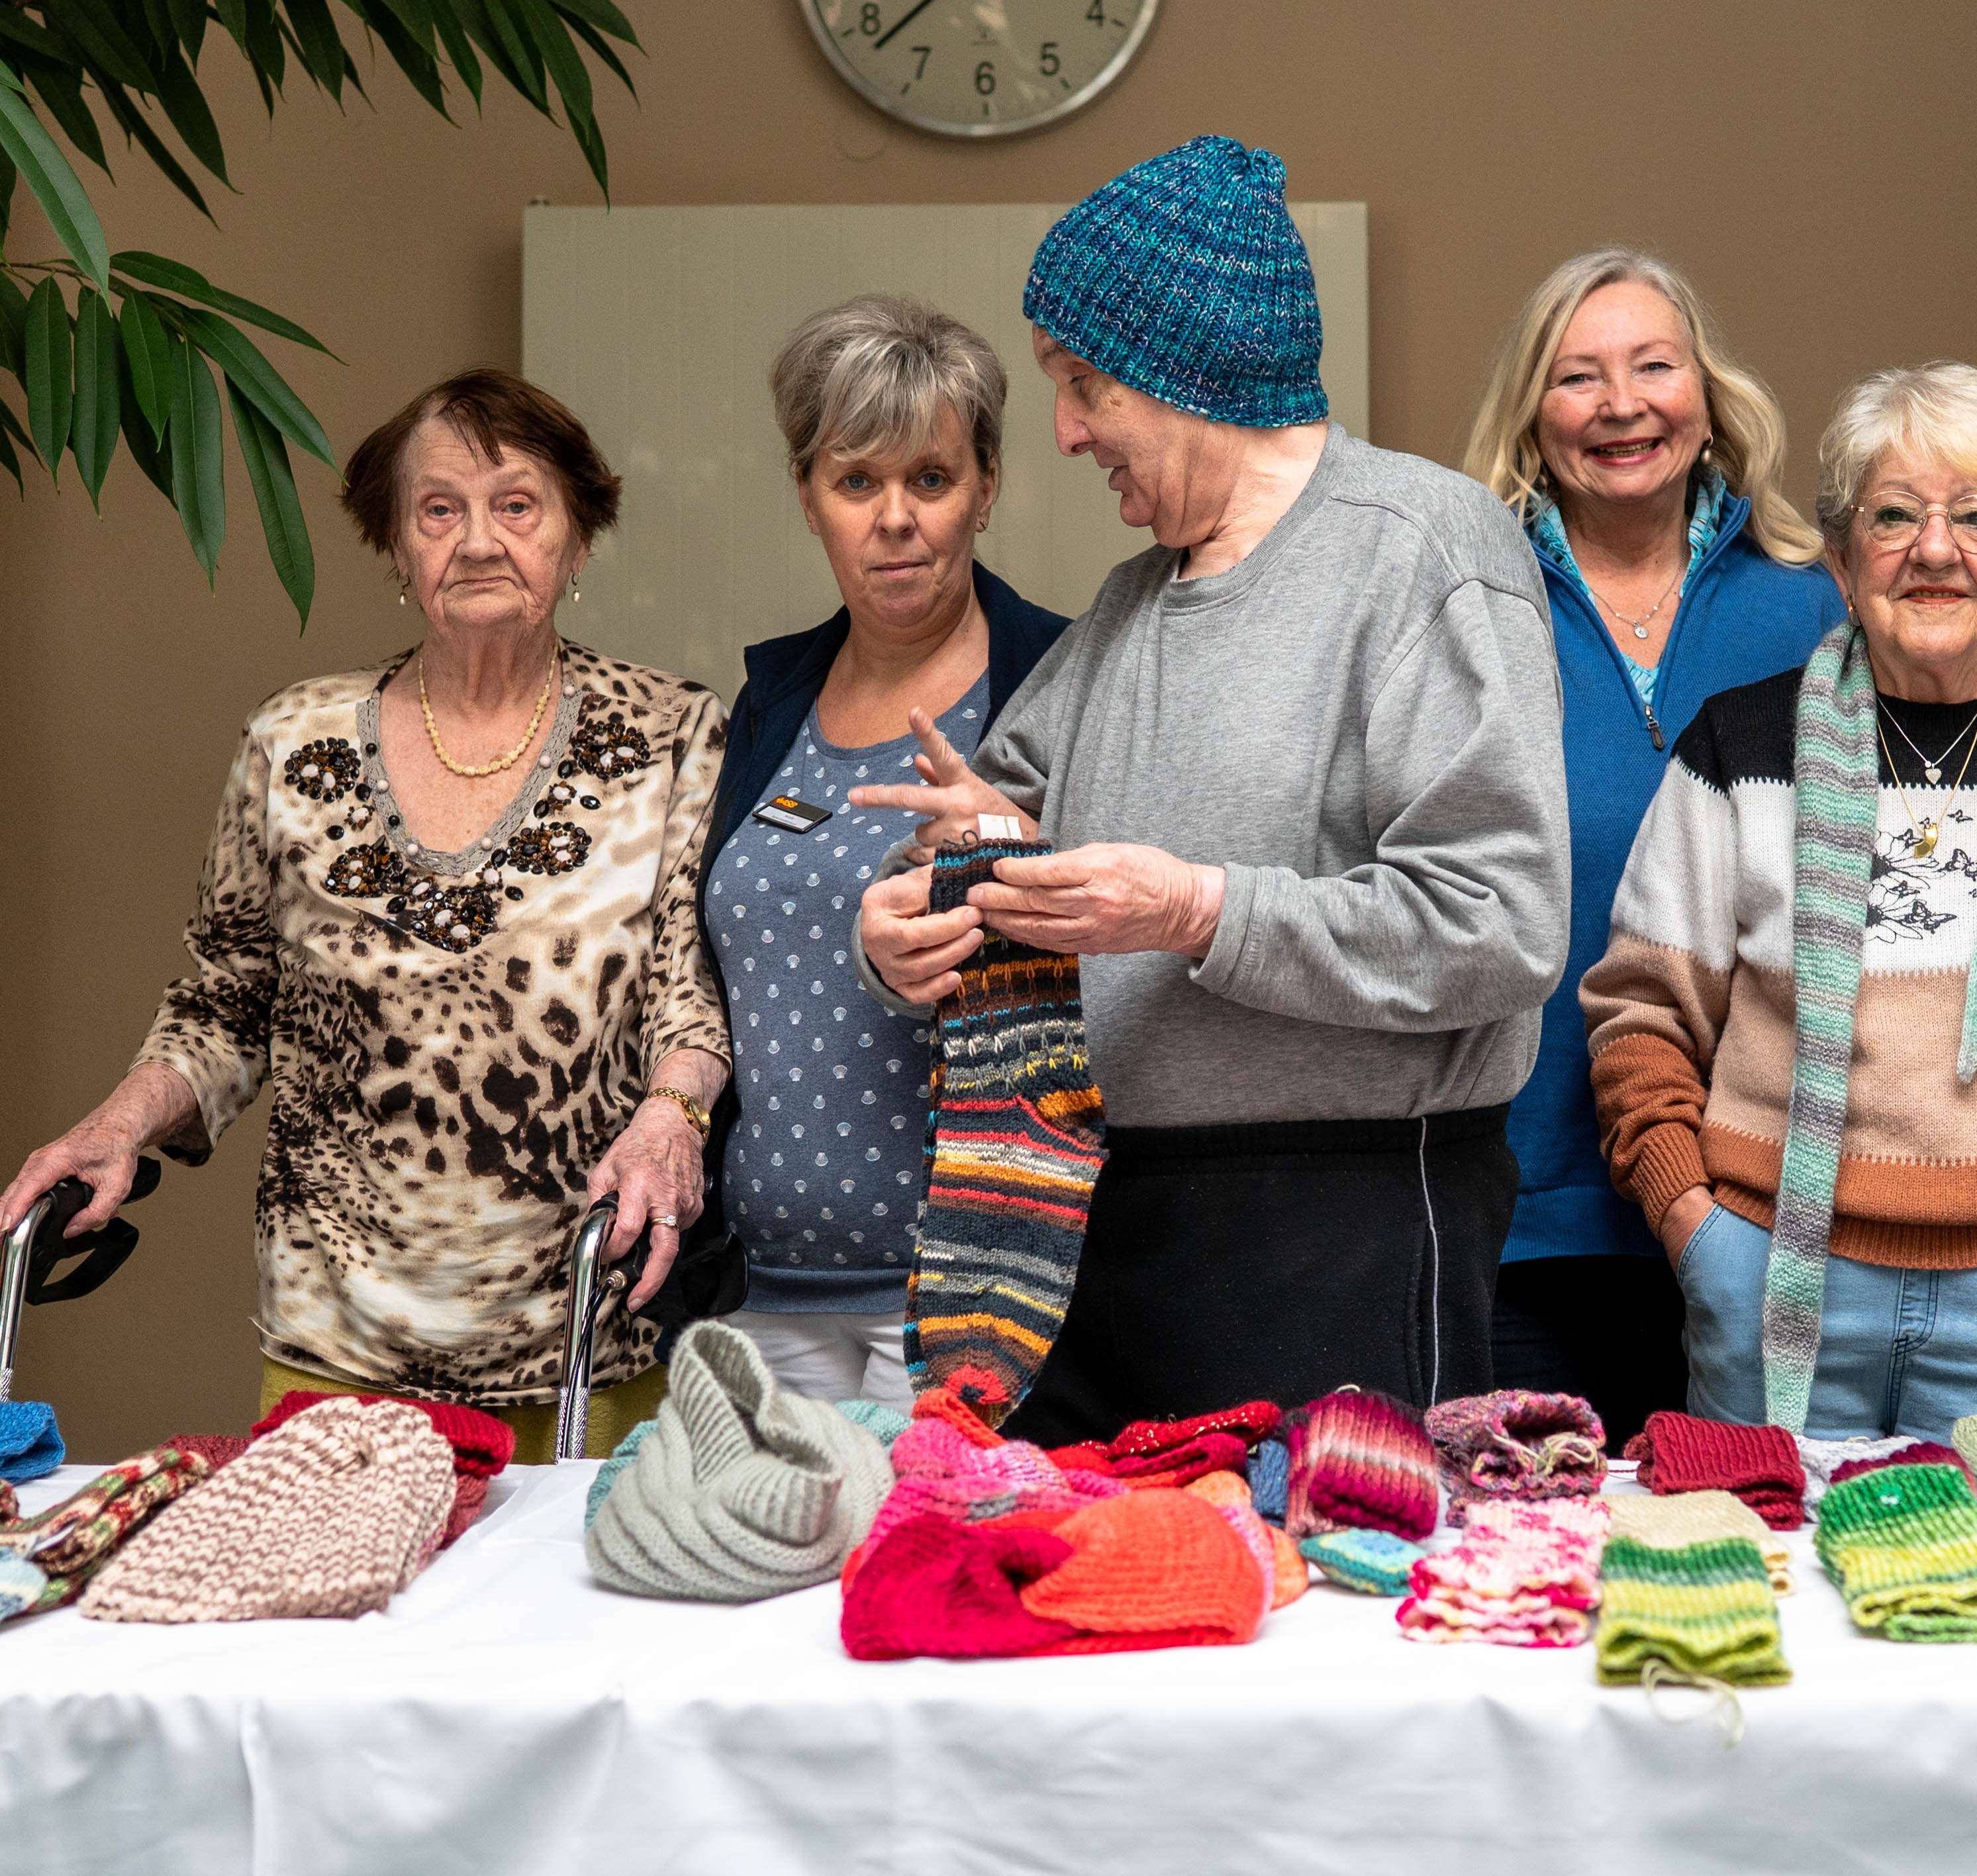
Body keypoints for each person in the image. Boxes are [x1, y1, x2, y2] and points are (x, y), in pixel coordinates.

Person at [853, 134, 1569, 1443]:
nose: (1065, 431)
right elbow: (993, 825)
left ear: (1184, 371)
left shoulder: (1424, 549)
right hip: (1088, 1242)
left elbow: (1501, 924)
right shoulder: (1127, 608)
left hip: (1340, 1236)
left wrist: (1198, 910)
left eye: (1083, 385)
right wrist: (913, 917)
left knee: (1314, 1620)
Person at [0, 372, 727, 1461]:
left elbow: (690, 996)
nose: (478, 541)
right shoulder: (290, 745)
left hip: (586, 1338)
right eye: (439, 510)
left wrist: (672, 1117)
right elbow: (222, 1007)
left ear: (579, 537)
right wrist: (114, 1125)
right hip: (334, 1346)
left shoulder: (673, 736)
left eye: (517, 505)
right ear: (397, 547)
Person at [1583, 362, 1977, 1441]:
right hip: (1774, 1280)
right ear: (1840, 559)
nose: (1936, 551)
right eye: (1894, 516)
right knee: (1771, 1598)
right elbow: (1641, 1016)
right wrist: (1702, 1234)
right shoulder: (1737, 751)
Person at [1457, 248, 1848, 1439]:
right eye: (1579, 377)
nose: (1622, 405)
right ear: (1534, 412)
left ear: (1708, 392)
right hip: (1522, 1197)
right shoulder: (1467, 601)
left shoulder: (1811, 608)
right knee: (1537, 1551)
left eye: (1653, 366)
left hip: (1762, 1193)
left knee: (1755, 1544)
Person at [698, 297, 1072, 1410]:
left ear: (988, 486)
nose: (895, 518)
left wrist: (1017, 862)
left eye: (932, 478)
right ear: (809, 499)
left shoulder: (1061, 681)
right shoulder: (768, 702)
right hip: (757, 1294)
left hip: (978, 1297)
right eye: (857, 482)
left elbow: (1137, 960)